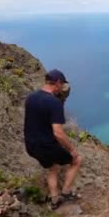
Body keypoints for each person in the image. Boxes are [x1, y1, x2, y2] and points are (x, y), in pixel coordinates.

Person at [24, 69, 81, 209]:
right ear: (58, 82)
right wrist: (72, 149)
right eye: (62, 84)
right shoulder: (54, 103)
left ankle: (54, 200)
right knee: (77, 160)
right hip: (47, 146)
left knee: (53, 168)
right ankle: (66, 193)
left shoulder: (31, 97)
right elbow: (58, 133)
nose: (62, 88)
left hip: (31, 145)